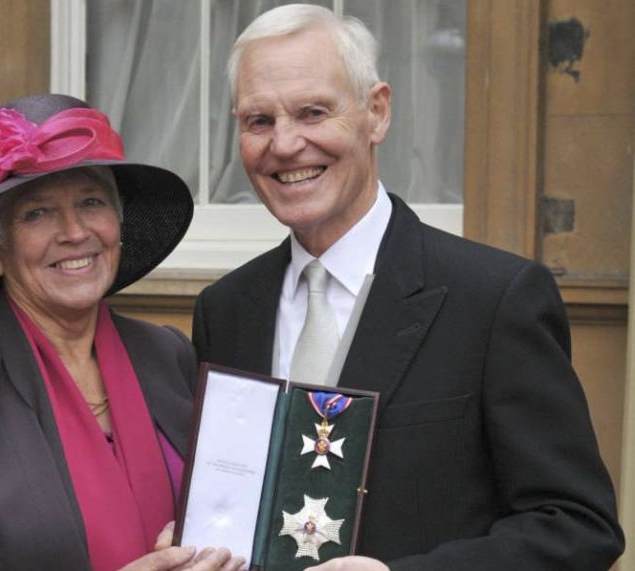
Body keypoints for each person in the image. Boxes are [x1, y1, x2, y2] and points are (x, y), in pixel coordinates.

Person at [192, 5, 624, 570]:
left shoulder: (494, 299)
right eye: (259, 121)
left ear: (377, 113)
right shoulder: (225, 311)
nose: (286, 143)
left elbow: (578, 527)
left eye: (313, 111)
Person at [0, 94, 244, 571]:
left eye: (91, 202)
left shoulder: (167, 354)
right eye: (36, 213)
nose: (73, 232)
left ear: (118, 223)